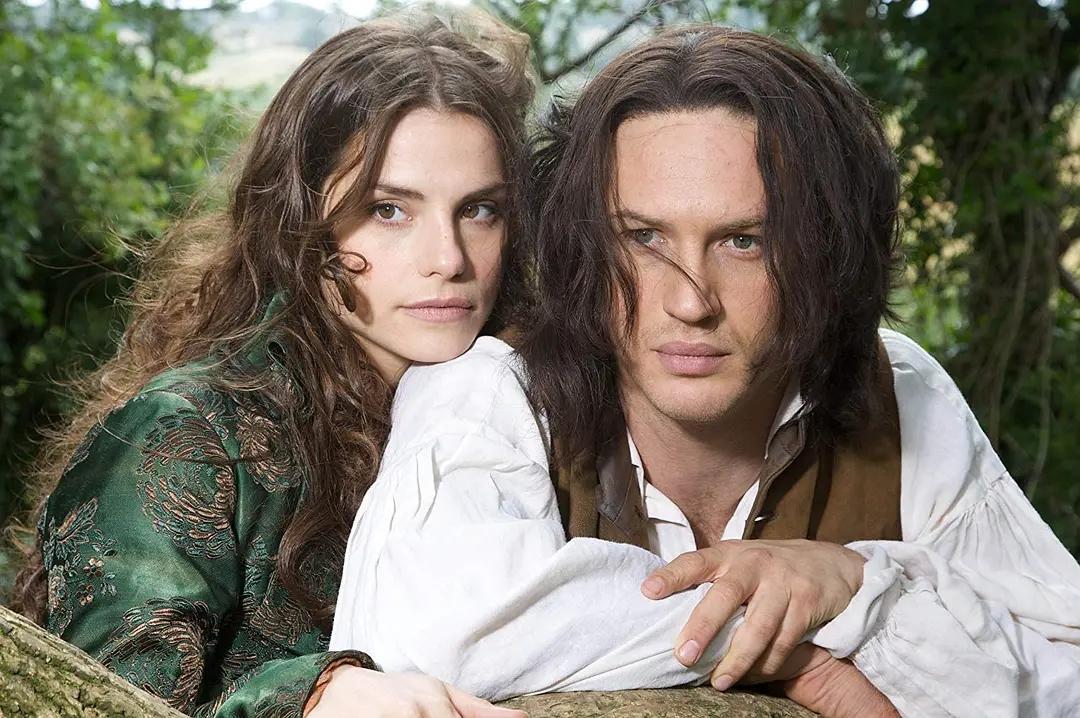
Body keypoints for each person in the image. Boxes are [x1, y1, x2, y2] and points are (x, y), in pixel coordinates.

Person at [331, 24, 1080, 718]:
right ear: (584, 247)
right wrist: (795, 643)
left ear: (828, 253)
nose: (689, 302)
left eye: (744, 241)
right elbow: (439, 634)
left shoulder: (898, 388)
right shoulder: (492, 386)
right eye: (643, 237)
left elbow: (1065, 676)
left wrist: (857, 581)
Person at [10, 12, 535, 718]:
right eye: (388, 210)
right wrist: (307, 698)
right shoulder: (184, 437)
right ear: (298, 218)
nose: (448, 258)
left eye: (480, 210)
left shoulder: (529, 411)